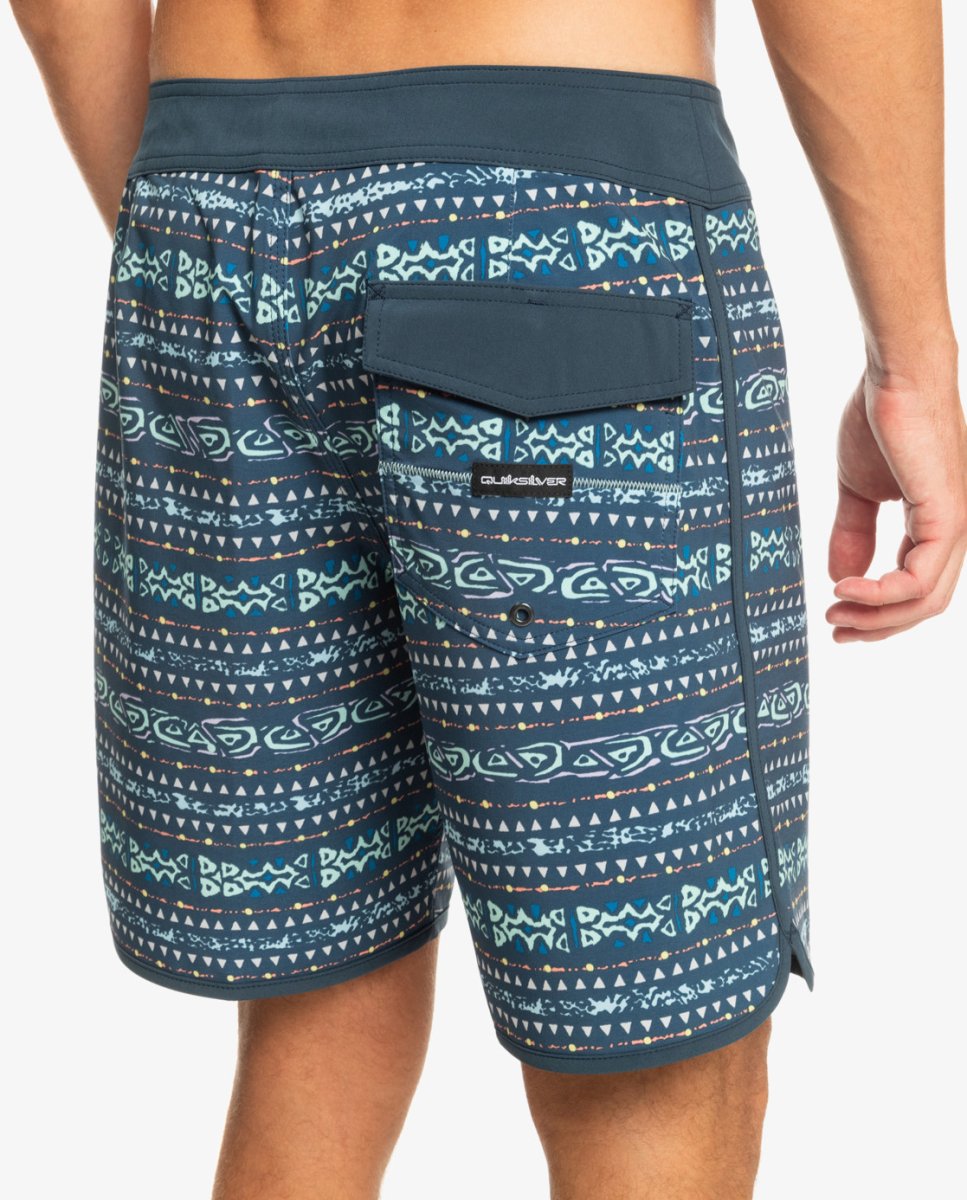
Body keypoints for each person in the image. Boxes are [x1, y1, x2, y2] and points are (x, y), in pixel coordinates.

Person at [10, 1, 965, 1197]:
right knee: (650, 1054)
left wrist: (200, 248)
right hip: (556, 229)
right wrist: (913, 367)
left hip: (202, 221)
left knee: (320, 1000)